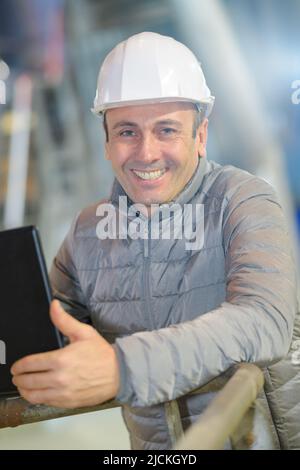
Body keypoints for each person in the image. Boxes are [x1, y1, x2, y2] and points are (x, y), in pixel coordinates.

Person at [11, 32, 298, 450]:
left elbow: (263, 320)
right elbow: (44, 333)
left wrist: (122, 368)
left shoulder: (243, 200)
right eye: (127, 132)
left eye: (166, 130)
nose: (146, 153)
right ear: (106, 141)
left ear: (200, 137)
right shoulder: (88, 233)